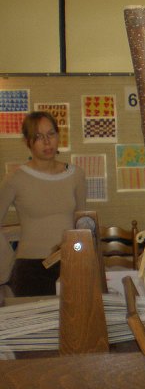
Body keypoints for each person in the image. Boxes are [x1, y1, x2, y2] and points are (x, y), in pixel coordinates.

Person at [0, 111, 86, 296]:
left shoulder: (76, 175)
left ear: (58, 135)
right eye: (38, 137)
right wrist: (6, 265)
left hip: (70, 263)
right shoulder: (15, 178)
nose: (47, 142)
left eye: (51, 134)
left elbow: (83, 223)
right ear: (27, 142)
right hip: (30, 269)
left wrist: (83, 257)